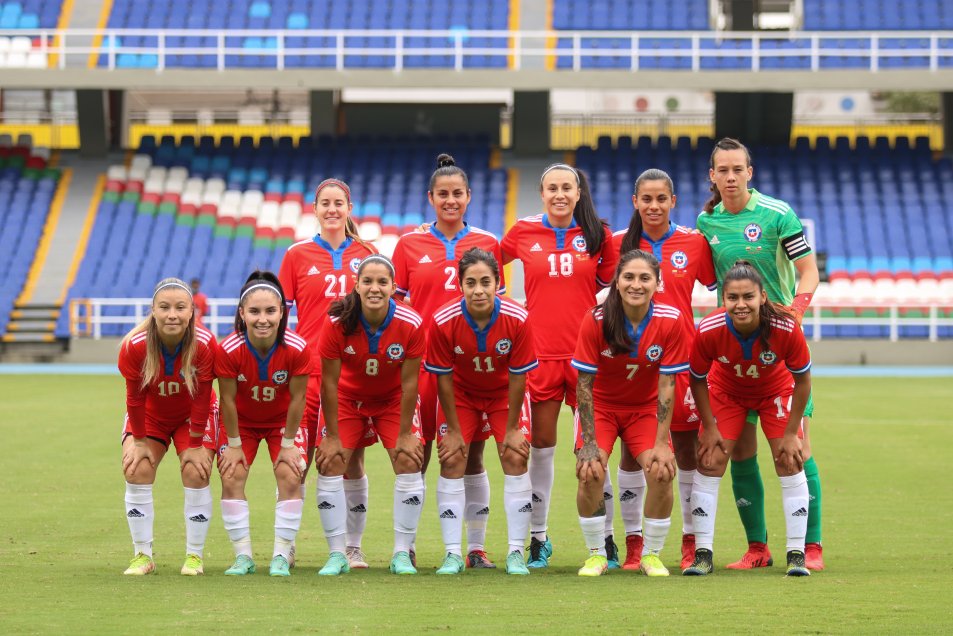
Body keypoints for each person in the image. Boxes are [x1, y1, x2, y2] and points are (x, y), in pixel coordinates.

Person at [697, 137, 824, 571]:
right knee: (740, 453)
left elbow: (808, 271)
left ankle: (811, 547)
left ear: (750, 172)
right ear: (712, 176)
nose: (730, 177)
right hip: (733, 350)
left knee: (796, 451)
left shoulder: (777, 214)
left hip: (780, 345)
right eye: (722, 170)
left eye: (738, 169)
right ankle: (758, 548)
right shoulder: (707, 221)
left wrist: (796, 310)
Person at [391, 153, 507, 568]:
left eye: (458, 193)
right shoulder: (408, 245)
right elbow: (398, 309)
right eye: (443, 194)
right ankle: (406, 547)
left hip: (470, 371)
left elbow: (498, 307)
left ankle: (474, 548)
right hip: (421, 368)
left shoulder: (488, 243)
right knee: (415, 456)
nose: (451, 200)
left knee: (470, 456)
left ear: (469, 196)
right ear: (431, 197)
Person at [500, 162, 616, 568]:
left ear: (578, 192)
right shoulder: (523, 231)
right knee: (542, 449)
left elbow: (610, 285)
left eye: (567, 187)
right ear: (542, 192)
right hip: (541, 355)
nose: (560, 194)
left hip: (587, 357)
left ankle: (607, 538)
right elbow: (491, 264)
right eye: (552, 188)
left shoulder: (597, 234)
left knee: (595, 450)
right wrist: (507, 306)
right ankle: (539, 538)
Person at [609, 169, 717, 571]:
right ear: (634, 202)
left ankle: (691, 542)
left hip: (681, 362)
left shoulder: (693, 242)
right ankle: (634, 544)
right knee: (632, 455)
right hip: (632, 365)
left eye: (661, 199)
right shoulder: (618, 243)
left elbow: (717, 282)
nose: (653, 206)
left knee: (685, 454)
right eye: (646, 199)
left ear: (673, 201)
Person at [685, 260, 812, 577]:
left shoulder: (785, 327)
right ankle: (703, 554)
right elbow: (697, 379)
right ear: (723, 299)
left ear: (763, 297)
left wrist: (792, 431)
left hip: (775, 392)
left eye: (748, 297)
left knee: (789, 459)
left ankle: (796, 554)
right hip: (727, 393)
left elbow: (803, 381)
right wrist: (710, 427)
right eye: (732, 298)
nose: (740, 305)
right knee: (710, 459)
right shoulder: (710, 328)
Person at [278, 178, 377, 569]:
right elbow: (281, 318)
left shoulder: (367, 253)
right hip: (308, 375)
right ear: (315, 209)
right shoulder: (296, 254)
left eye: (339, 202)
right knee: (295, 460)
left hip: (352, 376)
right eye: (325, 203)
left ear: (349, 207)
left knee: (351, 461)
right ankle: (286, 544)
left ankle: (352, 547)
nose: (332, 209)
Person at [571, 249, 687, 577]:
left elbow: (668, 385)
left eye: (645, 278)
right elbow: (584, 384)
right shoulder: (596, 319)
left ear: (657, 283)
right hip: (602, 409)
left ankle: (650, 555)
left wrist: (663, 442)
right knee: (591, 469)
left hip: (644, 411)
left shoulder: (671, 320)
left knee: (662, 470)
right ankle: (596, 554)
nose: (636, 284)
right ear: (617, 282)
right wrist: (590, 442)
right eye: (629, 277)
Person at [424, 248, 537, 575]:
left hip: (504, 395)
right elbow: (443, 380)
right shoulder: (444, 320)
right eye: (470, 282)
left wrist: (513, 427)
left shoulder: (517, 318)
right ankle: (452, 554)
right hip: (462, 395)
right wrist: (455, 431)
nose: (478, 290)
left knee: (515, 456)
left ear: (498, 283)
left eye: (485, 282)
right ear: (460, 285)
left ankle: (516, 552)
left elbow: (519, 376)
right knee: (453, 458)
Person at [315, 254, 426, 576]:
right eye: (368, 281)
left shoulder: (411, 323)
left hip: (392, 401)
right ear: (357, 285)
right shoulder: (337, 322)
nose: (375, 288)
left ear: (393, 287)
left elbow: (409, 384)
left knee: (409, 459)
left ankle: (402, 553)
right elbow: (330, 383)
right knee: (332, 462)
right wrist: (332, 437)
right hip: (348, 400)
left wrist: (406, 434)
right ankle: (339, 553)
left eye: (382, 282)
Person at [118, 277, 219, 576]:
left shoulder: (205, 344)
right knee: (137, 468)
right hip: (150, 416)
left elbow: (202, 398)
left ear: (192, 312)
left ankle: (194, 557)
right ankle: (142, 555)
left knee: (195, 471)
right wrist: (138, 442)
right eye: (164, 307)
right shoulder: (134, 346)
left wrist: (197, 443)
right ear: (153, 310)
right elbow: (134, 400)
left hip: (193, 418)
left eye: (179, 307)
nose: (172, 314)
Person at [215, 271, 310, 577]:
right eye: (254, 311)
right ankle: (243, 557)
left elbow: (298, 400)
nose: (263, 319)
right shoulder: (228, 349)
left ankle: (281, 555)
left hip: (283, 423)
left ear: (283, 312)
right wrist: (232, 445)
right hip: (241, 424)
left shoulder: (297, 347)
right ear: (242, 313)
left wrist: (288, 445)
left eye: (271, 311)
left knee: (291, 475)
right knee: (231, 476)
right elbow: (227, 400)